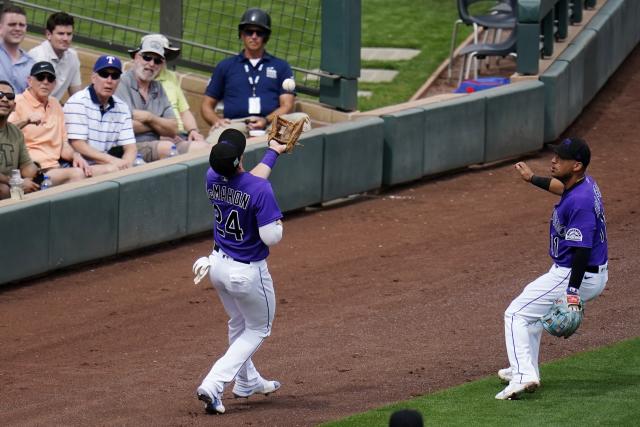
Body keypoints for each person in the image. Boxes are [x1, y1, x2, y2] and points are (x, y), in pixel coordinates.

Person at [496, 138, 608, 400]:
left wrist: (571, 292)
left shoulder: (580, 201)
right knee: (530, 312)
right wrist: (532, 178)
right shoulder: (582, 185)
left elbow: (581, 250)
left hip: (576, 271)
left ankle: (524, 376)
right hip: (585, 270)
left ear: (577, 165)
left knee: (515, 314)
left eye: (561, 158)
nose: (554, 160)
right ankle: (523, 368)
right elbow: (561, 189)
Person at [195, 129, 288, 415]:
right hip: (247, 273)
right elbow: (271, 236)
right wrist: (278, 223)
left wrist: (273, 152)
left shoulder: (211, 177)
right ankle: (214, 383)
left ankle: (247, 382)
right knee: (259, 328)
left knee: (238, 322)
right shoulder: (260, 190)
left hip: (218, 266)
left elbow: (250, 180)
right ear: (239, 160)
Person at [201, 7, 309, 144]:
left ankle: (268, 146)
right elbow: (206, 105)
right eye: (249, 32)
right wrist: (216, 120)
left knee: (301, 119)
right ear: (241, 34)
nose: (254, 36)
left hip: (271, 123)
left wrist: (266, 120)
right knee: (212, 145)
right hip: (237, 124)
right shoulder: (226, 66)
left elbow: (287, 105)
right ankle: (267, 145)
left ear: (266, 37)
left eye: (259, 32)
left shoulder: (281, 66)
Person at [9, 61, 90, 186]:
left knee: (95, 171)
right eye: (41, 77)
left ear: (54, 84)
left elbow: (63, 146)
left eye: (50, 78)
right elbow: (5, 133)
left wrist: (75, 155)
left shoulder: (56, 104)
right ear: (29, 80)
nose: (45, 82)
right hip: (29, 170)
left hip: (55, 167)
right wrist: (26, 120)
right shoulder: (16, 102)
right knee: (78, 175)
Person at [63, 55, 137, 175]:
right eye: (104, 74)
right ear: (93, 78)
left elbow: (130, 147)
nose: (109, 80)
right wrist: (113, 161)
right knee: (112, 170)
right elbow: (78, 144)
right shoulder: (78, 101)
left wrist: (126, 165)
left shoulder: (122, 107)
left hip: (105, 165)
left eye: (115, 76)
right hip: (77, 165)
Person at [116, 35, 180, 162]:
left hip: (157, 143)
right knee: (168, 149)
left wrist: (149, 117)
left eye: (157, 61)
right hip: (127, 148)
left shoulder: (158, 87)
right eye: (147, 57)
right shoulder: (121, 82)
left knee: (200, 148)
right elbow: (123, 127)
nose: (151, 64)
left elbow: (173, 128)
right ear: (136, 57)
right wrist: (158, 125)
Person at [139, 33, 207, 144]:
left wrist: (193, 131)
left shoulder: (170, 77)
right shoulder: (137, 81)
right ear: (139, 57)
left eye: (159, 59)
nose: (152, 63)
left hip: (182, 134)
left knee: (207, 150)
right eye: (147, 57)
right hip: (158, 137)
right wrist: (161, 135)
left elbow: (184, 112)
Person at [28, 11, 82, 101]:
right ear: (49, 34)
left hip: (52, 109)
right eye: (61, 34)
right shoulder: (36, 57)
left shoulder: (73, 57)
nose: (65, 38)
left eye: (69, 34)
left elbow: (77, 96)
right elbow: (29, 95)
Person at [0, 80, 38, 199]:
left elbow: (26, 166)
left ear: (14, 106)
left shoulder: (16, 133)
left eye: (10, 97)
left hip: (10, 185)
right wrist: (15, 182)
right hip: (6, 187)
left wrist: (35, 174)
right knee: (4, 190)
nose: (5, 99)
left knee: (38, 186)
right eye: (0, 95)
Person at [0, 5, 34, 94]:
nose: (17, 28)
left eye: (21, 25)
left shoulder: (31, 64)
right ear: (0, 28)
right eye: (12, 24)